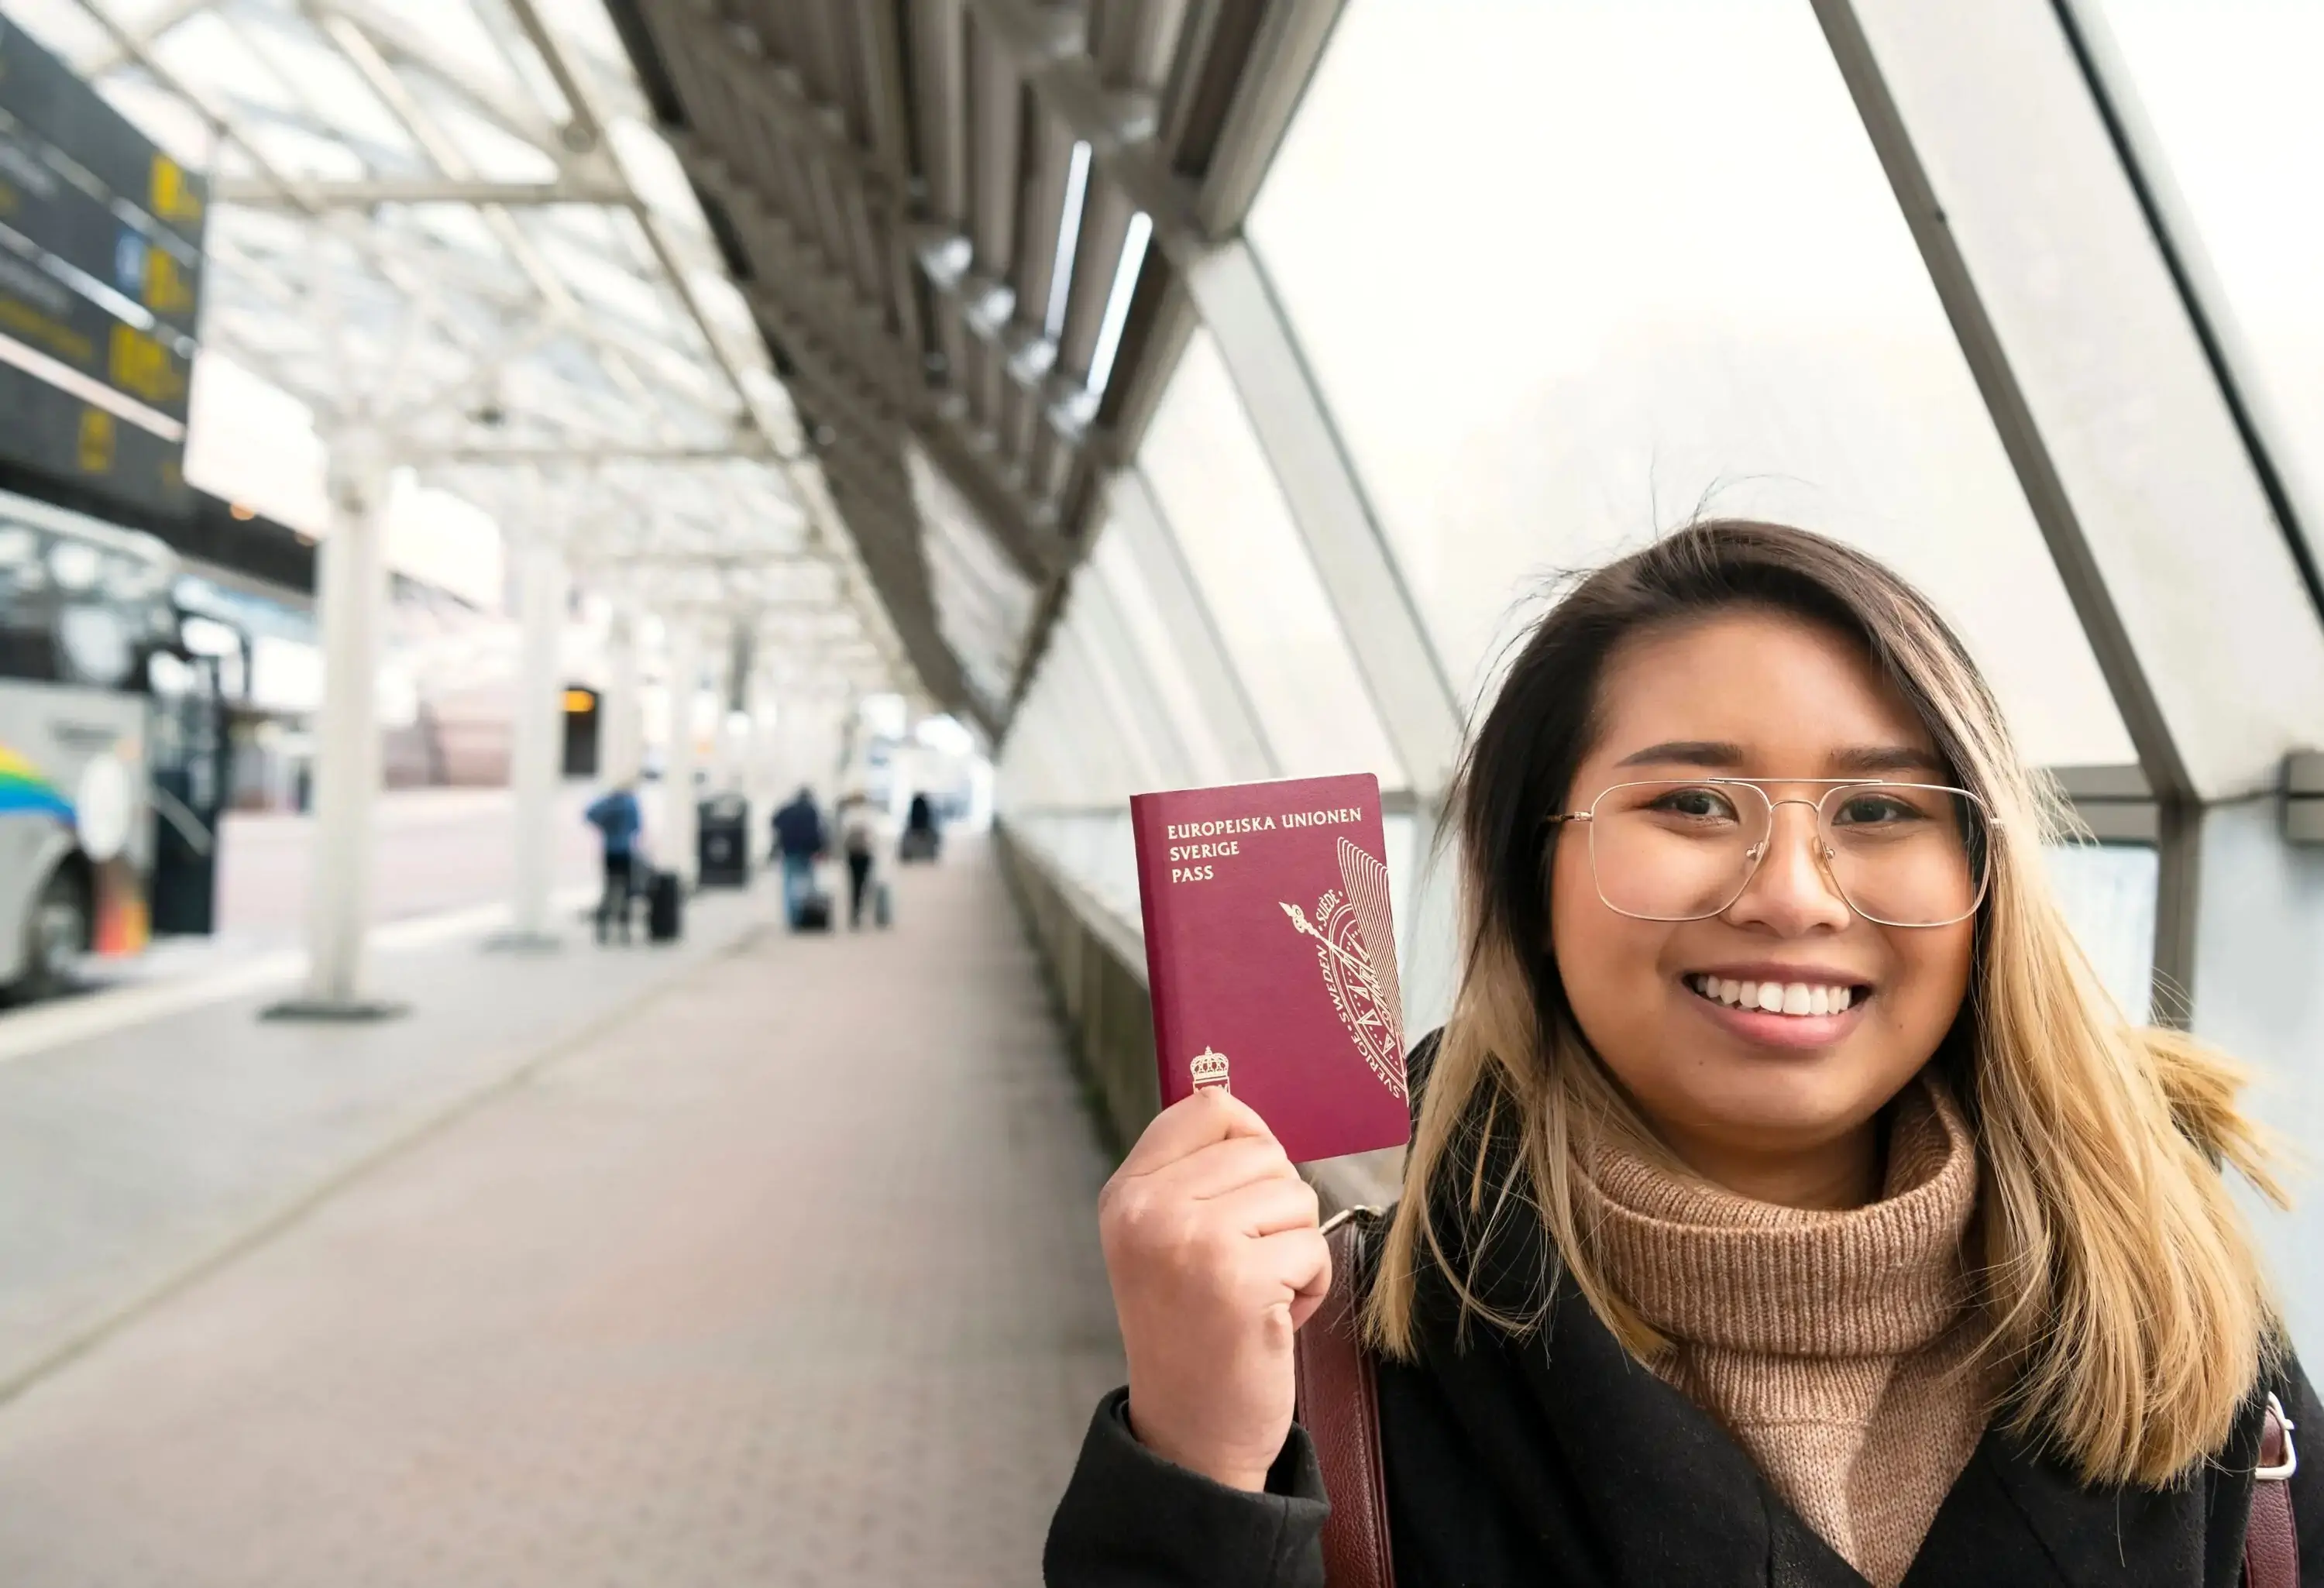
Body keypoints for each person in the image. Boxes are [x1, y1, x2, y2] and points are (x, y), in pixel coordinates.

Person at [1047, 521, 2321, 1587]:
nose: (1792, 895)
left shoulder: (2176, 1310)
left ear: (1988, 878)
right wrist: (1197, 1468)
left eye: (1880, 809)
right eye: (1691, 804)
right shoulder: (1346, 1370)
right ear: (1529, 868)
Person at [583, 779, 642, 944]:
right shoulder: (630, 804)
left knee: (609, 888)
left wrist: (603, 826)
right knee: (626, 890)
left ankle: (603, 926)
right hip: (625, 851)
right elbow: (637, 826)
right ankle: (624, 929)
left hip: (609, 850)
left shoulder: (608, 804)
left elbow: (589, 814)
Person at [769, 785, 827, 927]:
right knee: (807, 883)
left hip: (789, 851)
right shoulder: (811, 811)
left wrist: (783, 837)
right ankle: (805, 916)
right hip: (806, 852)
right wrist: (820, 849)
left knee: (789, 884)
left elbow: (774, 821)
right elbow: (816, 832)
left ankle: (792, 918)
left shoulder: (787, 809)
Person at [837, 792, 890, 930]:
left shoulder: (849, 815)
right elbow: (874, 835)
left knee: (854, 884)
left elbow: (844, 834)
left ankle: (854, 914)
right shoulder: (869, 814)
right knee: (865, 883)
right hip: (865, 853)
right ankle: (867, 913)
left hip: (852, 854)